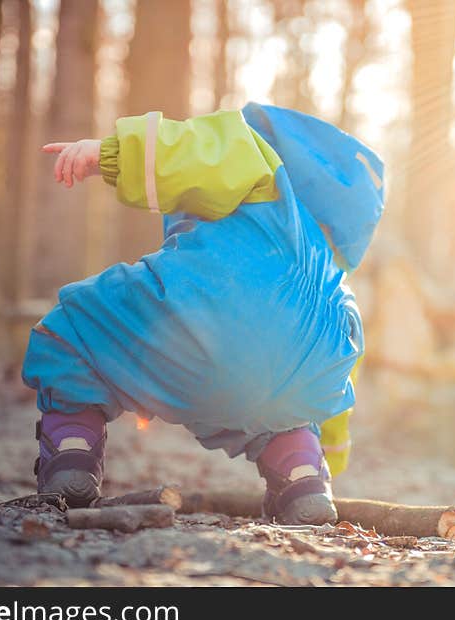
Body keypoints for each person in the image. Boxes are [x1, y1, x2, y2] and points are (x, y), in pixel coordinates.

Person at [22, 102, 384, 525]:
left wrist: (107, 155)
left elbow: (195, 151)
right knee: (287, 411)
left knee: (75, 330)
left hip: (201, 327)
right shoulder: (335, 285)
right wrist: (332, 455)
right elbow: (341, 379)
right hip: (295, 383)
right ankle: (303, 476)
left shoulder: (261, 166)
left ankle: (72, 454)